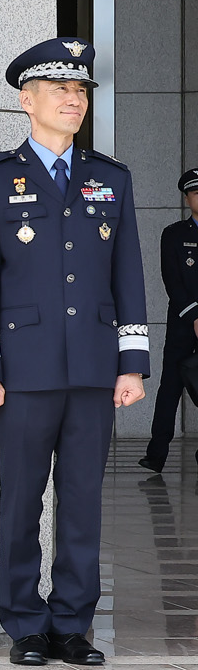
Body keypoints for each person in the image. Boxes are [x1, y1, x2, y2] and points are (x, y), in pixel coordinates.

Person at [0, 37, 147, 666]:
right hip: (22, 371)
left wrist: (133, 363)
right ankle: (24, 623)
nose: (75, 99)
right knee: (20, 499)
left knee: (83, 501)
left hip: (94, 369)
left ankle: (72, 623)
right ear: (27, 100)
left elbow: (129, 278)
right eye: (61, 89)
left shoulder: (110, 178)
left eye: (81, 90)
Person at [140, 167, 198, 475]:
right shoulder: (174, 235)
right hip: (182, 324)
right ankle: (156, 453)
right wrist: (195, 316)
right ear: (187, 198)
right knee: (170, 388)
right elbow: (172, 281)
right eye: (196, 193)